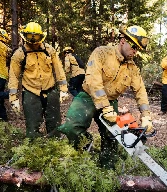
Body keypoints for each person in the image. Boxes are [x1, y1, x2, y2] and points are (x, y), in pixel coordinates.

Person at [57, 25, 153, 169]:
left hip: (111, 101)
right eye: (133, 46)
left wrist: (146, 116)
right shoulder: (102, 53)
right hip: (87, 97)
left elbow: (140, 91)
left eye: (137, 48)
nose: (135, 51)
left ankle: (107, 169)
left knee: (112, 138)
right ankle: (86, 143)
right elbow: (93, 79)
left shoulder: (132, 68)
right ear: (123, 40)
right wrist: (104, 106)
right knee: (71, 128)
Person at [8, 22, 68, 139]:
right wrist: (13, 98)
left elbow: (59, 70)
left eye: (36, 37)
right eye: (31, 37)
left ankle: (55, 146)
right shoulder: (19, 54)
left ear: (41, 36)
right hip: (31, 92)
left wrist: (63, 89)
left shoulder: (49, 50)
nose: (34, 40)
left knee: (54, 123)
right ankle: (34, 149)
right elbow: (13, 77)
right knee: (32, 125)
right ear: (25, 36)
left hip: (50, 90)